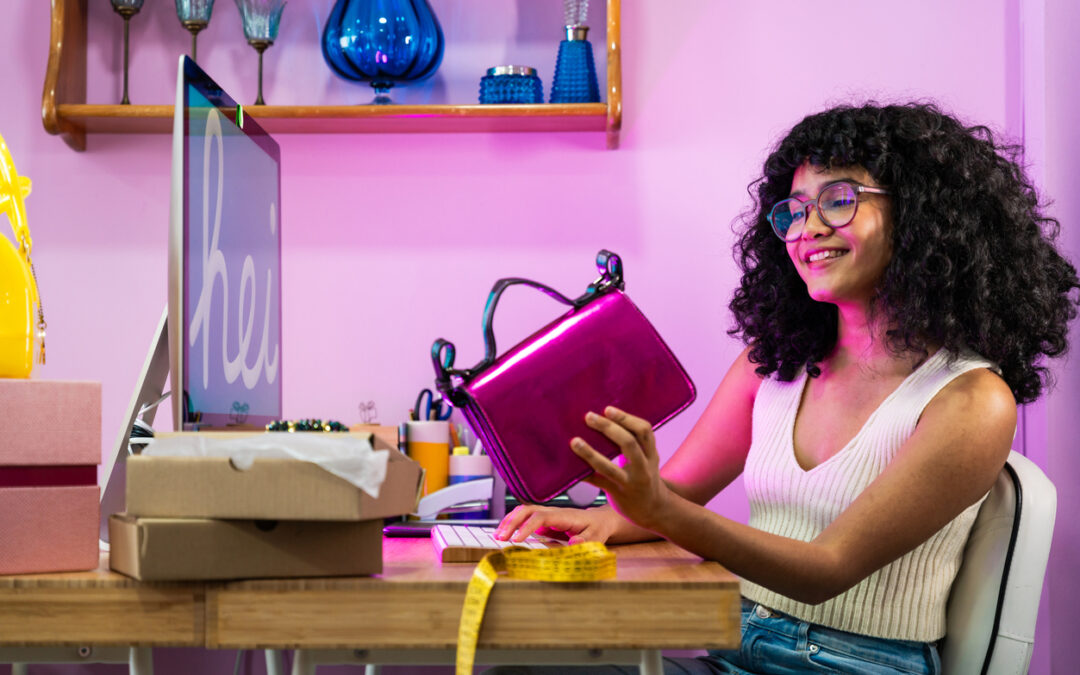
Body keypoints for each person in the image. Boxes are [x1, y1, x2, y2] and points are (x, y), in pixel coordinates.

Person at [490, 102, 1080, 675]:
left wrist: (660, 509)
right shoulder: (772, 364)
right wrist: (606, 516)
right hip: (733, 643)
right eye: (794, 211)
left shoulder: (971, 400)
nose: (808, 229)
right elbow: (678, 492)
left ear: (924, 216)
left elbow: (826, 569)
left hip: (856, 665)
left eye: (839, 201)